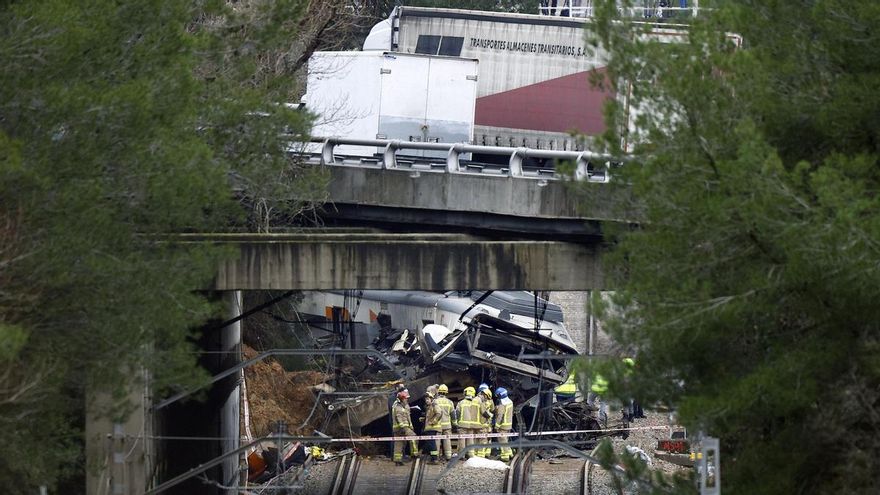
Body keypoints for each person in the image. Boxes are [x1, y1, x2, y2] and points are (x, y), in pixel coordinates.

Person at [392, 390, 418, 466]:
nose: (407, 400)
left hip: (397, 429)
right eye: (406, 398)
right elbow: (399, 418)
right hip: (403, 428)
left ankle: (397, 460)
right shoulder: (398, 408)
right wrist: (404, 428)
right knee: (413, 437)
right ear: (402, 399)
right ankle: (414, 455)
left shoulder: (398, 406)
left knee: (399, 444)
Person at [455, 386, 480, 458]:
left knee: (462, 440)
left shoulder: (461, 403)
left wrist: (457, 422)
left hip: (462, 424)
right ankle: (471, 454)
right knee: (470, 439)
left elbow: (457, 413)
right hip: (472, 425)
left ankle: (462, 455)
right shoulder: (476, 403)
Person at [434, 384, 456, 460]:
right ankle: (448, 456)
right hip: (447, 425)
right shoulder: (450, 402)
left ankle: (436, 456)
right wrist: (454, 423)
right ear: (446, 393)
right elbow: (453, 414)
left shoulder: (435, 401)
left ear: (439, 392)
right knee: (447, 440)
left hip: (437, 425)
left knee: (437, 440)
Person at [422, 391, 444, 463]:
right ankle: (432, 458)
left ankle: (434, 459)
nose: (426, 401)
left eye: (428, 399)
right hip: (429, 428)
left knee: (431, 443)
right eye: (425, 400)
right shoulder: (429, 407)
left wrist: (433, 422)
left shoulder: (434, 405)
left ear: (431, 399)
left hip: (432, 428)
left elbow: (439, 413)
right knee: (430, 443)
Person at [494, 387, 514, 462]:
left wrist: (497, 425)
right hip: (508, 425)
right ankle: (510, 453)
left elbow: (500, 415)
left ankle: (505, 456)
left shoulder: (502, 404)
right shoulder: (510, 402)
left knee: (502, 441)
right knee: (506, 440)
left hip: (502, 425)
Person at [476, 384, 494, 458]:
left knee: (479, 438)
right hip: (488, 422)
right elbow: (492, 410)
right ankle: (487, 453)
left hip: (479, 422)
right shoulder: (491, 401)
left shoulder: (477, 399)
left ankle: (479, 453)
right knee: (488, 438)